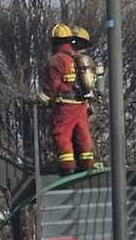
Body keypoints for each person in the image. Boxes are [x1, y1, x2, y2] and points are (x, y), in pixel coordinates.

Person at [40, 23, 95, 174]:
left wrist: (40, 100)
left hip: (65, 106)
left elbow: (52, 87)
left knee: (61, 134)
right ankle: (87, 163)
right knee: (82, 133)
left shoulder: (57, 60)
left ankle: (68, 166)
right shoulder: (77, 58)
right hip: (82, 104)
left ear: (54, 42)